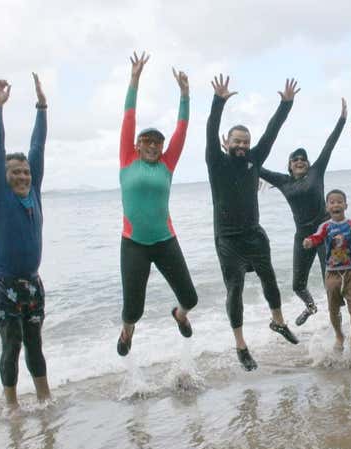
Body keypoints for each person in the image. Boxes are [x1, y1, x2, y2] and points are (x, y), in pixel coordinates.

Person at [206, 74, 301, 371]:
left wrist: (285, 104)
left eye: (245, 141)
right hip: (228, 239)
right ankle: (241, 345)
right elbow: (210, 131)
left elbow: (272, 133)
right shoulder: (216, 161)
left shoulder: (254, 159)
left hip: (254, 233)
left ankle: (278, 322)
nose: (242, 145)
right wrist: (218, 101)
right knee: (235, 289)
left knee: (269, 278)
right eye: (237, 141)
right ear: (226, 143)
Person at [116, 51, 197, 356]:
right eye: (146, 141)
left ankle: (180, 314)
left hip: (165, 241)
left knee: (190, 297)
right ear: (137, 145)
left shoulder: (167, 163)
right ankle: (128, 330)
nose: (152, 145)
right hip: (133, 243)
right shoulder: (127, 159)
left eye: (157, 142)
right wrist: (134, 79)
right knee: (133, 310)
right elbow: (128, 117)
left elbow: (182, 129)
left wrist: (185, 94)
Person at [0, 73, 51, 410]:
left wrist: (41, 106)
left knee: (35, 343)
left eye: (25, 172)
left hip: (31, 281)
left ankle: (45, 399)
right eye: (16, 173)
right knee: (11, 344)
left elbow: (38, 147)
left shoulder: (34, 192)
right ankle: (11, 407)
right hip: (1, 280)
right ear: (4, 177)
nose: (23, 176)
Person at [257, 98, 347, 326]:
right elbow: (256, 166)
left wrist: (342, 119)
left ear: (308, 163)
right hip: (303, 237)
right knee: (297, 284)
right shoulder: (283, 181)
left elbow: (329, 145)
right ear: (289, 165)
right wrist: (230, 152)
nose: (299, 161)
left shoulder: (316, 172)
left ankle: (338, 315)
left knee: (331, 278)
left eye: (303, 159)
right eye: (295, 159)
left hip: (325, 232)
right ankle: (310, 306)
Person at [303, 189, 351, 351]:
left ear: (345, 205)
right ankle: (339, 335)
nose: (336, 204)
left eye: (339, 201)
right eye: (332, 202)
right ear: (327, 207)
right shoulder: (326, 226)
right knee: (333, 309)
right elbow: (317, 237)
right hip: (332, 274)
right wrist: (309, 242)